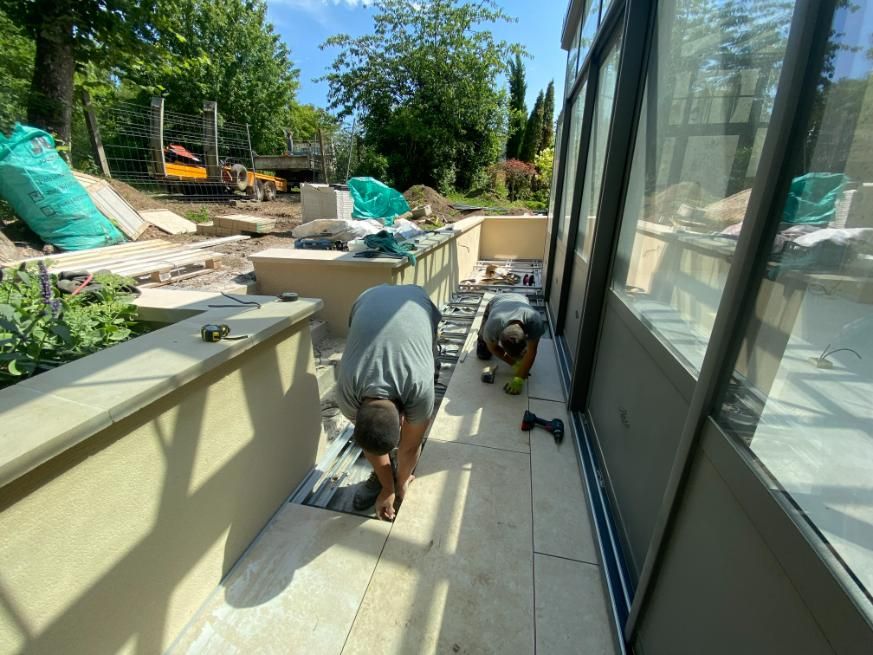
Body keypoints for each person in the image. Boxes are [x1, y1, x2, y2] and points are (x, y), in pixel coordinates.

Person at [336, 284, 442, 521]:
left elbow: (410, 446)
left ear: (402, 416)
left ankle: (397, 473)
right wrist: (387, 487)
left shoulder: (419, 388)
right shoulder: (345, 396)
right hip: (366, 297)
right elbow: (369, 439)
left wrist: (402, 481)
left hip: (417, 301)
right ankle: (384, 475)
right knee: (377, 435)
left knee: (430, 364)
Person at [476, 292, 545, 395]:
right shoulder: (493, 326)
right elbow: (493, 348)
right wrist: (513, 363)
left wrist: (519, 379)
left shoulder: (535, 321)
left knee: (524, 359)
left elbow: (532, 351)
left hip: (521, 298)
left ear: (526, 337)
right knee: (483, 353)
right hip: (498, 300)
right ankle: (482, 340)